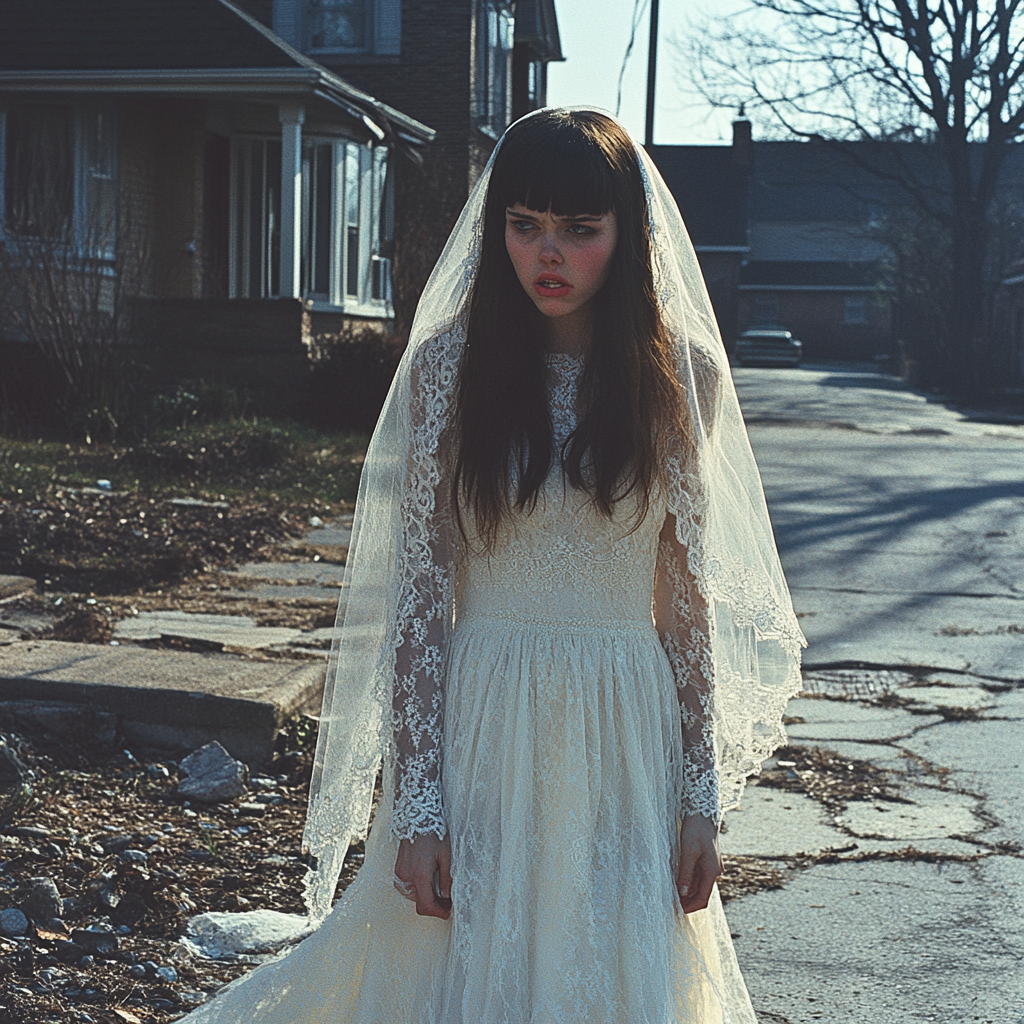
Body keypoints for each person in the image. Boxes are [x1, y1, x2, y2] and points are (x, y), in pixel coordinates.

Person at [180, 108, 805, 1024]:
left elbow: (688, 594)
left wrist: (699, 796)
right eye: (525, 225)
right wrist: (420, 804)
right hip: (485, 720)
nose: (547, 252)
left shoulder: (684, 378)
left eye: (580, 230)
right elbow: (423, 599)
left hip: (622, 731)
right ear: (496, 225)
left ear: (626, 238)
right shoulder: (449, 369)